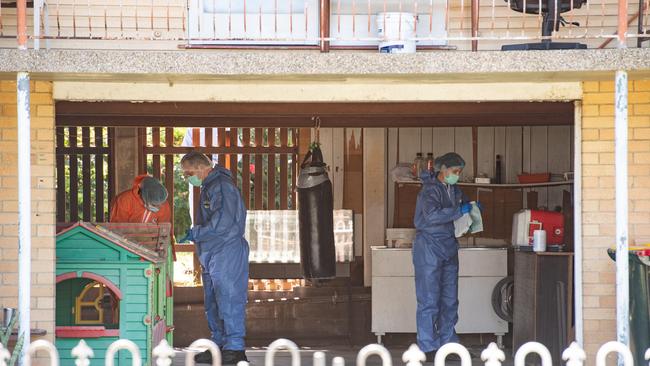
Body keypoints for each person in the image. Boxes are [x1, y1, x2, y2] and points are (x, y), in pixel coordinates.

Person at [178, 152, 249, 365]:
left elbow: (224, 222)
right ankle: (218, 345)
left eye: (188, 173)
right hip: (213, 253)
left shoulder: (222, 186)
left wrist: (196, 233)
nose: (186, 178)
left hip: (226, 250)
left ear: (201, 168)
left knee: (228, 299)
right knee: (214, 302)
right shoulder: (210, 186)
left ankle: (235, 349)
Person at [412, 152, 472, 363]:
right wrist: (458, 210)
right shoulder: (429, 191)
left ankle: (448, 343)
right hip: (429, 246)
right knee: (429, 300)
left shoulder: (454, 190)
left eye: (459, 172)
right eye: (455, 171)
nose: (457, 175)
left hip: (448, 247)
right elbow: (433, 216)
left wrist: (472, 209)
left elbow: (463, 205)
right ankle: (428, 345)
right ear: (443, 170)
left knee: (449, 299)